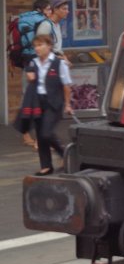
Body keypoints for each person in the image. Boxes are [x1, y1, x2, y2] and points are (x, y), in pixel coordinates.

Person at [16, 33, 72, 175]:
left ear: (49, 46)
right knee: (40, 135)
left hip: (53, 103)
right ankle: (46, 166)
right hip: (37, 102)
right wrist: (30, 77)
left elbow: (66, 85)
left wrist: (67, 104)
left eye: (40, 45)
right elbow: (30, 78)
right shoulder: (33, 63)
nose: (37, 48)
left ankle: (65, 154)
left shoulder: (59, 64)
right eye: (35, 46)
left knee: (46, 133)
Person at [14, 0, 51, 149]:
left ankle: (27, 136)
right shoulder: (43, 22)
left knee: (27, 97)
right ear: (41, 9)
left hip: (27, 61)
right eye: (48, 9)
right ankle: (38, 139)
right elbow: (42, 43)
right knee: (38, 100)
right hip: (37, 62)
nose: (50, 12)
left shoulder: (24, 19)